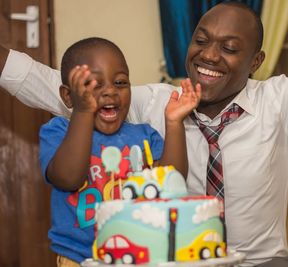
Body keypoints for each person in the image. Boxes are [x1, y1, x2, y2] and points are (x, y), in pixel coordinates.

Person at [0, 1, 288, 267]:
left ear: (255, 61)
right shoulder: (152, 102)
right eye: (202, 41)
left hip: (257, 262)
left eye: (229, 47)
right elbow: (61, 86)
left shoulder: (284, 103)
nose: (208, 56)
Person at [37, 37, 200, 267]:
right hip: (80, 258)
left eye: (121, 83)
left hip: (138, 253)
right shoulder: (58, 132)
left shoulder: (144, 135)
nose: (111, 91)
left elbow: (171, 183)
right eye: (94, 85)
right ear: (67, 96)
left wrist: (173, 124)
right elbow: (68, 177)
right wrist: (84, 111)